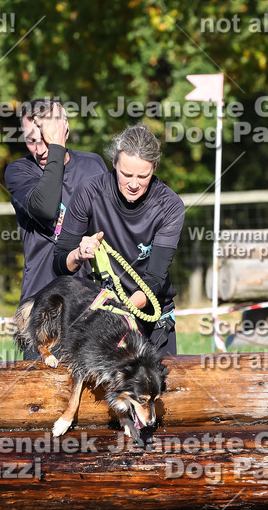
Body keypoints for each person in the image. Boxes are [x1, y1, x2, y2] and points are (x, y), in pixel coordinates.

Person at [52, 123, 184, 356]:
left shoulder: (170, 206)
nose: (134, 184)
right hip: (101, 314)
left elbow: (153, 281)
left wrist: (122, 311)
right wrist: (79, 255)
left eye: (143, 176)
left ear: (154, 167)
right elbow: (60, 262)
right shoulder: (89, 192)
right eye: (126, 174)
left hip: (149, 313)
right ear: (114, 162)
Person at [5, 98, 108, 305]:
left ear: (65, 131)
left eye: (47, 139)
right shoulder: (19, 171)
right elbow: (45, 208)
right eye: (32, 140)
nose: (41, 149)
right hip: (41, 299)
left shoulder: (93, 165)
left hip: (89, 298)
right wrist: (56, 149)